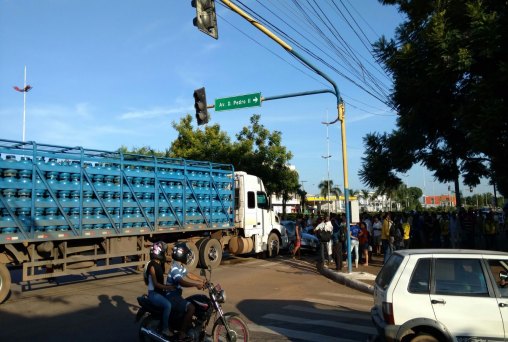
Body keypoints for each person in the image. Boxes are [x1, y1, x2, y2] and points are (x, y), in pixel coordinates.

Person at [166, 242, 206, 342]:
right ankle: (181, 333)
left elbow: (189, 274)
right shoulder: (175, 267)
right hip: (171, 296)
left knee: (193, 304)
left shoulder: (180, 266)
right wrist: (195, 285)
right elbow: (181, 282)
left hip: (176, 295)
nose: (188, 257)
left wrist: (202, 280)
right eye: (187, 254)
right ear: (181, 254)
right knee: (191, 308)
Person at [145, 241, 174, 338]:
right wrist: (168, 287)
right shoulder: (152, 266)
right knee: (168, 305)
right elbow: (156, 284)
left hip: (159, 292)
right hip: (153, 294)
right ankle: (165, 329)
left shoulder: (158, 264)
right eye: (163, 252)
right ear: (159, 253)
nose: (164, 254)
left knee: (174, 301)